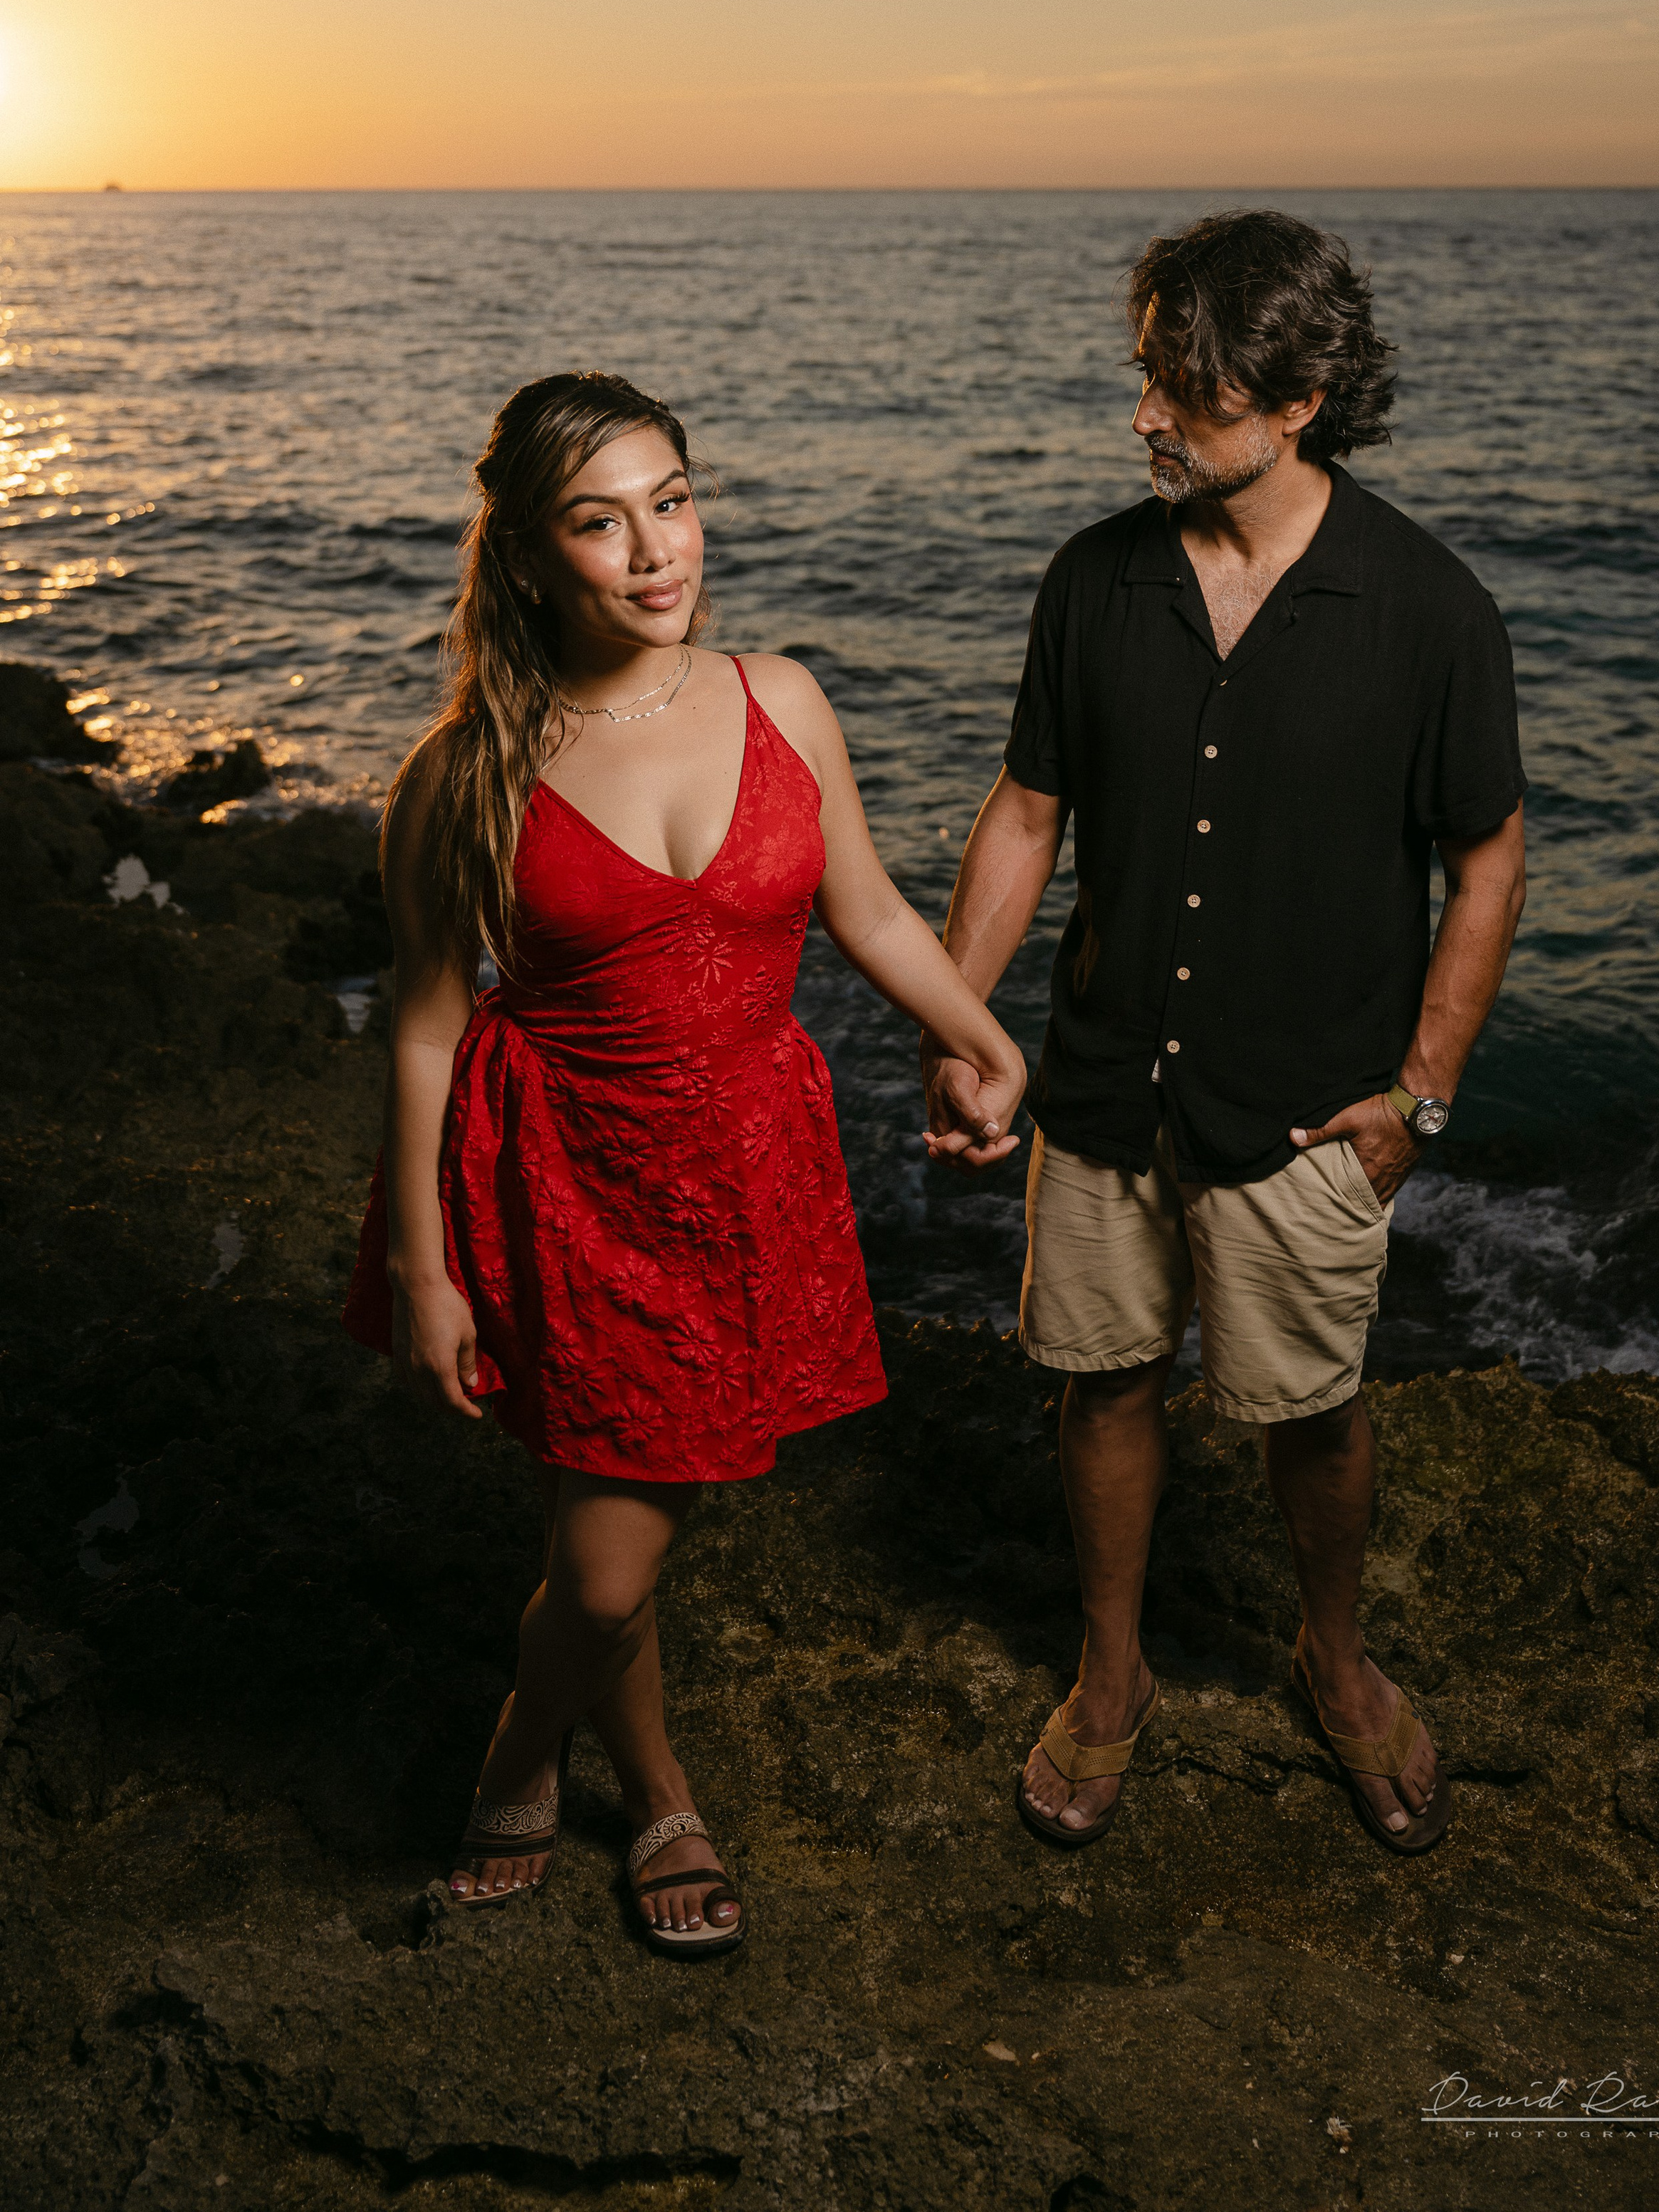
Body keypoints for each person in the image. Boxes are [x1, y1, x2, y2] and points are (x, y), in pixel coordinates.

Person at [344, 372, 1024, 1953]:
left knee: (624, 1513)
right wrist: (420, 1269)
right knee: (601, 1566)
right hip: (565, 1180)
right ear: (525, 556)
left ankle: (650, 1792)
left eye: (673, 499)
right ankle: (528, 1757)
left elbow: (858, 906)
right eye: (600, 520)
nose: (656, 552)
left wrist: (981, 1034)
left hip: (747, 1169)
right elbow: (429, 1031)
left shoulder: (779, 697)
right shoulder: (461, 778)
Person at [921, 211, 1526, 1857]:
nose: (1143, 419)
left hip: (1310, 1109)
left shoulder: (1426, 608)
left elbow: (1485, 857)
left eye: (1183, 389)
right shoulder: (1089, 581)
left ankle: (1332, 1665)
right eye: (1147, 378)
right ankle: (1108, 1676)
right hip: (1106, 1086)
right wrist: (963, 1025)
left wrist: (1420, 1094)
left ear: (1300, 392)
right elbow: (1026, 813)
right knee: (1097, 1387)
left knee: (1313, 1413)